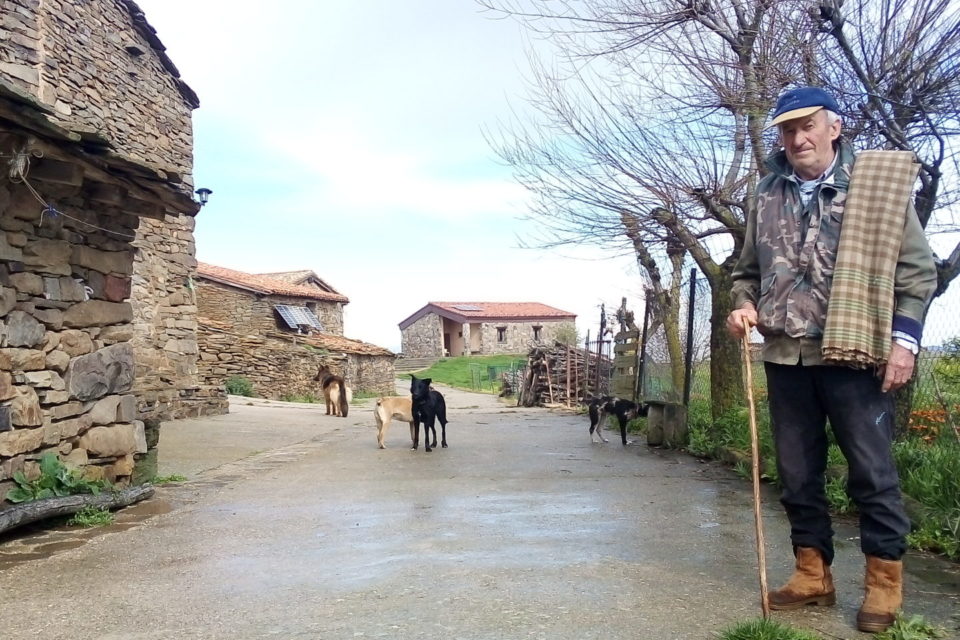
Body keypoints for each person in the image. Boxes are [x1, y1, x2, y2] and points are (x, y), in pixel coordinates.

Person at [726, 87, 936, 633]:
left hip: (855, 354)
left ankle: (884, 586)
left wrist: (905, 342)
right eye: (787, 130)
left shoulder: (876, 189)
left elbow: (917, 273)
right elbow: (745, 271)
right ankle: (812, 575)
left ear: (834, 128)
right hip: (785, 355)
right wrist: (743, 305)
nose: (797, 139)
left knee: (872, 473)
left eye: (808, 126)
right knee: (796, 474)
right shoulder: (766, 193)